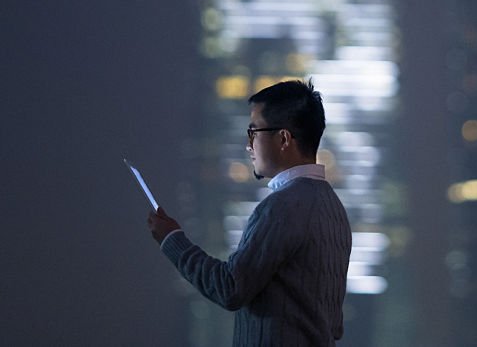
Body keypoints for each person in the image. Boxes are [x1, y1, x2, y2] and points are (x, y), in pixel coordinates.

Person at [147, 80, 352, 346]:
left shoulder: (283, 206)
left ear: (283, 139)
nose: (248, 145)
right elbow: (333, 324)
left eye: (253, 132)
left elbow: (230, 288)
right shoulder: (334, 208)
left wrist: (171, 239)